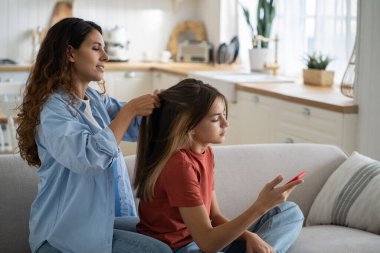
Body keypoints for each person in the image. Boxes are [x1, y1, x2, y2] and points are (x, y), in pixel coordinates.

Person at [16, 17, 171, 253]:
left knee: (168, 234)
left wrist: (165, 106)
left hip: (100, 225)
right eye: (96, 48)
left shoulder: (95, 100)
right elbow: (89, 157)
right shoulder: (53, 111)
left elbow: (136, 125)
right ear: (70, 53)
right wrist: (129, 111)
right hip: (61, 238)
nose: (105, 57)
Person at [134, 78, 305, 253]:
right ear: (189, 126)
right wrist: (260, 207)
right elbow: (207, 243)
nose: (226, 123)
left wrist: (250, 237)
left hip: (202, 239)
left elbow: (214, 217)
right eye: (216, 119)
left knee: (289, 212)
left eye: (224, 115)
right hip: (181, 248)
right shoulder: (179, 165)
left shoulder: (205, 153)